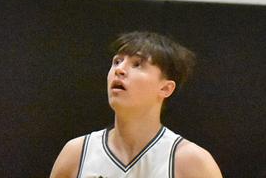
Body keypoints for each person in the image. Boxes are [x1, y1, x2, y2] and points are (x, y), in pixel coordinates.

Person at [49, 31, 223, 178]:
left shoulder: (192, 162)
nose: (119, 69)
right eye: (117, 61)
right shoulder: (76, 154)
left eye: (137, 64)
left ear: (165, 88)